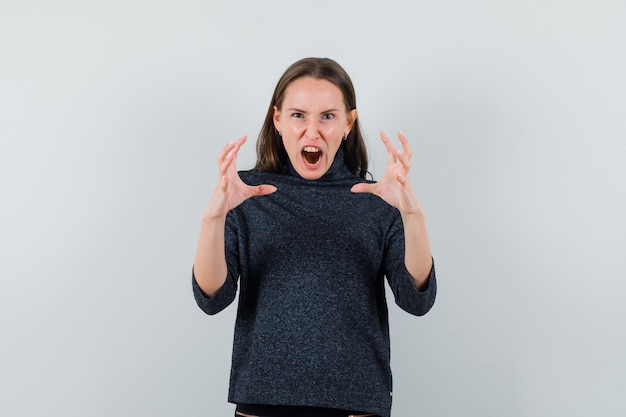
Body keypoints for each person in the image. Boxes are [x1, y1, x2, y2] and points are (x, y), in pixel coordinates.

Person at [192, 57, 437, 417]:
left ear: (348, 123)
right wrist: (213, 218)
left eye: (327, 116)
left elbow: (416, 299)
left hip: (356, 403)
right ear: (277, 119)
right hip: (263, 401)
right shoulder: (245, 193)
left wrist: (412, 215)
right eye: (298, 115)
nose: (312, 131)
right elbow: (212, 298)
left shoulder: (378, 198)